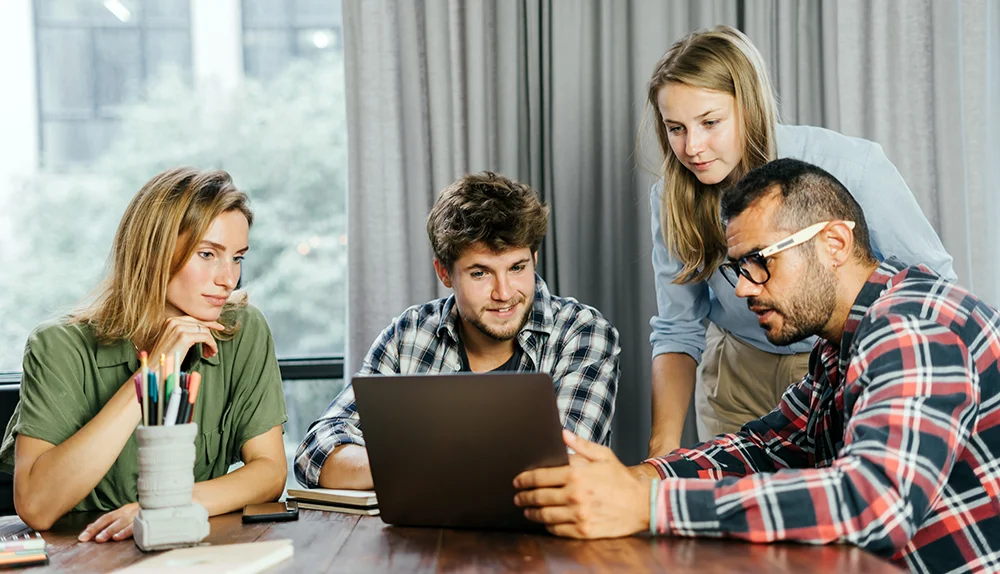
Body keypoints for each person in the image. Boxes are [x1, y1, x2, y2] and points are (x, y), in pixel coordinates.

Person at [513, 159, 1000, 574]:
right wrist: (639, 478)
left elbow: (872, 503)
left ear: (833, 243)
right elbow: (769, 445)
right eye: (739, 268)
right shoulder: (840, 345)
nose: (744, 289)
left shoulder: (911, 329)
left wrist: (648, 506)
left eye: (760, 261)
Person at [643, 25, 956, 456]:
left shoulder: (851, 167)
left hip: (842, 364)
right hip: (738, 372)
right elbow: (678, 327)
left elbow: (930, 285)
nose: (692, 146)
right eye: (675, 128)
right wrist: (662, 448)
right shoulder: (671, 198)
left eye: (710, 122)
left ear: (749, 108)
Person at [0, 168, 288, 542]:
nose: (228, 279)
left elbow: (269, 471)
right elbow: (37, 507)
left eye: (237, 258)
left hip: (197, 549)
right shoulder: (57, 346)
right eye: (207, 254)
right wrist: (152, 375)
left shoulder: (243, 330)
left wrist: (168, 503)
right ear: (152, 252)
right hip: (88, 557)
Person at [295, 171, 620, 490]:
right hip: (420, 542)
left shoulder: (583, 334)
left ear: (534, 259)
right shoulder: (408, 335)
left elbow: (560, 471)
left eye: (518, 268)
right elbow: (316, 450)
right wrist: (411, 466)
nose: (504, 293)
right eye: (480, 273)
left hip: (539, 542)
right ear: (444, 273)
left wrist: (410, 465)